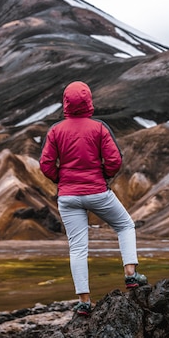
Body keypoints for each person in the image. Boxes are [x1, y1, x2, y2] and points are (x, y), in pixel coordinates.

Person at [39, 81, 147, 316]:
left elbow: (46, 164)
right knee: (125, 225)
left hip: (68, 196)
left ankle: (84, 302)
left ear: (65, 102)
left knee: (78, 248)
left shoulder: (56, 130)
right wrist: (103, 176)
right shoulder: (98, 128)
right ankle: (131, 274)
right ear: (89, 101)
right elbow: (114, 160)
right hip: (97, 191)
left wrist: (62, 180)